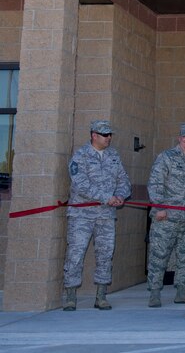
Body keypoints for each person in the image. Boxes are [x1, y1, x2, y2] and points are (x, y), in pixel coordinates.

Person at [62, 120, 131, 311]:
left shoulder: (114, 156)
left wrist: (120, 195)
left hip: (106, 216)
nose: (108, 138)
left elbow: (123, 179)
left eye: (110, 135)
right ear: (94, 135)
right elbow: (80, 184)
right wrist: (106, 197)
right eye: (104, 134)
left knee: (105, 254)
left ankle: (101, 295)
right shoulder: (80, 156)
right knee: (75, 254)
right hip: (81, 216)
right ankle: (70, 296)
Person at [147, 122, 185, 307]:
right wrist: (159, 207)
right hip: (167, 216)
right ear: (179, 138)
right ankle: (154, 292)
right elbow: (155, 183)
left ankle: (182, 290)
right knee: (159, 254)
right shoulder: (166, 157)